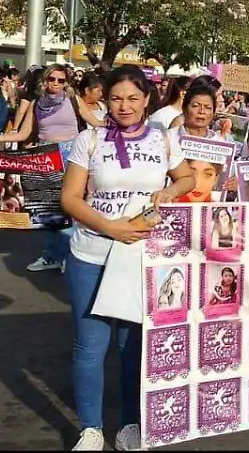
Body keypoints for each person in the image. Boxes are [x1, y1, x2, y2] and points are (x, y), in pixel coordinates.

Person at [59, 66, 194, 452]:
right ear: (106, 99)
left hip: (140, 258)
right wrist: (110, 226)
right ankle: (91, 429)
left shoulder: (165, 140)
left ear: (147, 99)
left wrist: (169, 192)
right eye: (116, 98)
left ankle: (130, 424)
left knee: (132, 346)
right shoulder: (90, 139)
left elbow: (186, 178)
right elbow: (69, 198)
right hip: (92, 252)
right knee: (90, 345)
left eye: (133, 98)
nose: (124, 105)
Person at [0, 65, 91, 273]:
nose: (57, 84)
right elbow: (23, 134)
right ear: (45, 80)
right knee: (48, 210)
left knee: (71, 207)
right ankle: (51, 256)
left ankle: (70, 256)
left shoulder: (73, 100)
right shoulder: (36, 104)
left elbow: (96, 123)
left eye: (61, 80)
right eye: (53, 79)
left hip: (72, 155)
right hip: (44, 156)